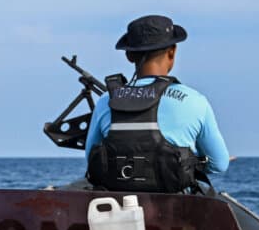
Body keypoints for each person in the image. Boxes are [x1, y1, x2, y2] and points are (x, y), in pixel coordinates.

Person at [84, 14, 230, 193]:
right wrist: (185, 164)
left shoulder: (106, 101)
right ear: (172, 52)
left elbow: (91, 157)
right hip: (176, 208)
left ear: (130, 55)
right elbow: (219, 164)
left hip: (118, 208)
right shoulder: (195, 101)